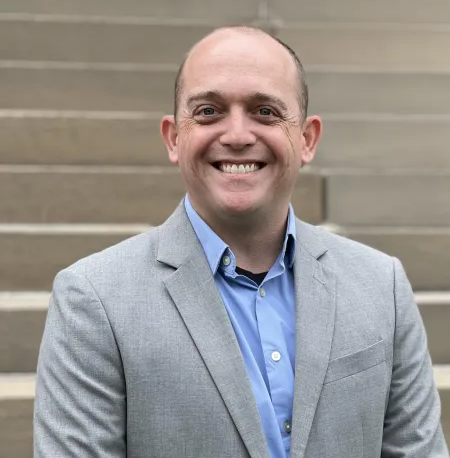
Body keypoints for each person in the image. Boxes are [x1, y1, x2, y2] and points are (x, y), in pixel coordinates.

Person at [34, 26, 449, 458]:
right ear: (174, 138)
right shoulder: (94, 299)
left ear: (306, 139)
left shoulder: (382, 284)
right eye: (209, 111)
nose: (236, 135)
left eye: (265, 111)